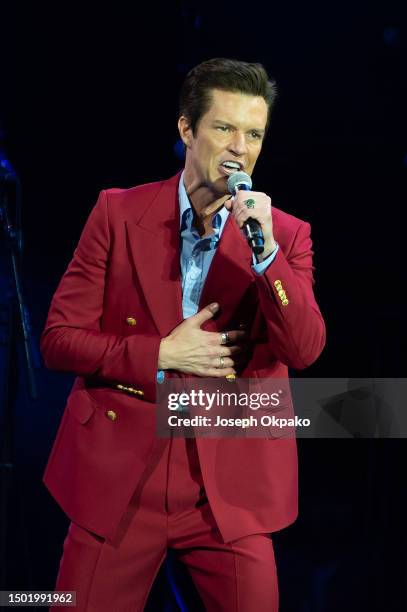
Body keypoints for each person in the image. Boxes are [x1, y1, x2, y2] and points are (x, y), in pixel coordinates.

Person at [41, 58, 326, 611]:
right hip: (125, 477)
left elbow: (305, 348)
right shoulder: (118, 213)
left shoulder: (285, 236)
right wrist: (161, 352)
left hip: (228, 484)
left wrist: (266, 255)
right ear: (187, 129)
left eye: (254, 134)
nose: (239, 147)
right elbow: (58, 339)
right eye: (224, 128)